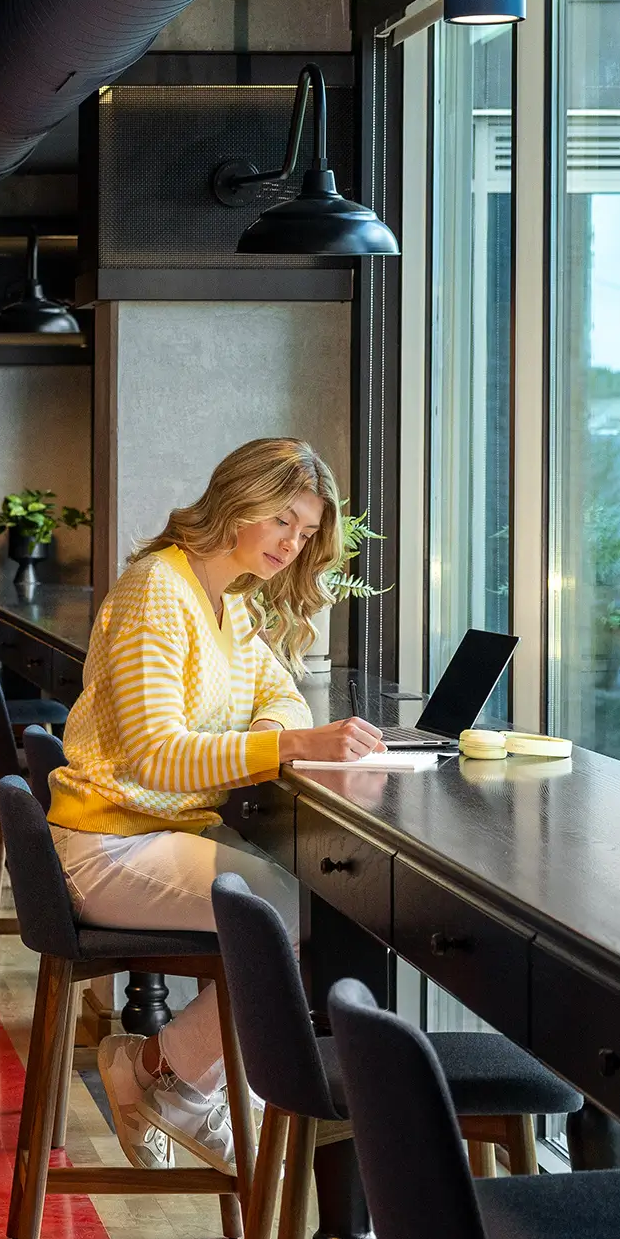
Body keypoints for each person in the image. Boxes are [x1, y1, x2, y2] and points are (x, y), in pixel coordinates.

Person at [45, 437, 384, 1173]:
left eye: (305, 533)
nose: (293, 545)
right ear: (240, 502)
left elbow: (277, 691)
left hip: (160, 833)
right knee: (292, 915)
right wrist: (289, 747)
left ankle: (165, 1076)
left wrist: (277, 729)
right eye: (284, 522)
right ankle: (175, 1086)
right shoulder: (157, 589)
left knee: (303, 907)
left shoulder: (228, 598)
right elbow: (156, 756)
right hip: (107, 843)